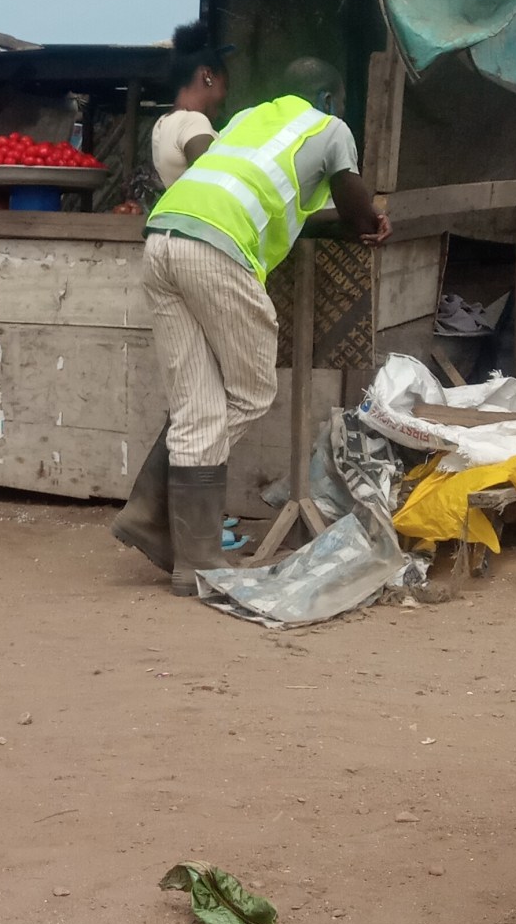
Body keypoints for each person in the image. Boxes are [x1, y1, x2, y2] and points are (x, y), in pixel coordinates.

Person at [112, 56, 391, 595]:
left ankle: (191, 558)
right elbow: (354, 204)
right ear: (329, 99)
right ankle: (149, 507)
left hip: (163, 238)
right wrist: (373, 221)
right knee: (250, 390)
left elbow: (269, 192)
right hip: (217, 248)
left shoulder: (245, 120)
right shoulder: (330, 128)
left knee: (197, 405)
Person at [148, 21, 230, 190]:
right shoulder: (193, 121)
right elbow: (211, 183)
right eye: (224, 86)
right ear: (207, 76)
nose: (225, 96)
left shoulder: (163, 123)